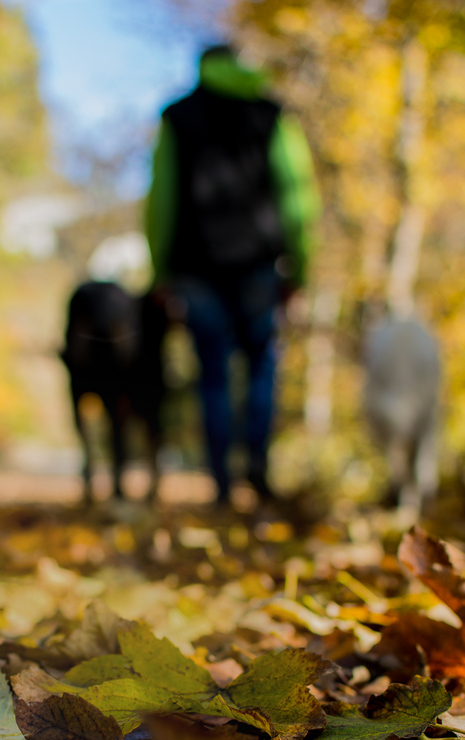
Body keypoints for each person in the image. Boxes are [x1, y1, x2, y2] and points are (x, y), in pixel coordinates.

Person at [145, 43, 320, 504]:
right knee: (262, 365)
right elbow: (296, 195)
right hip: (260, 264)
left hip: (195, 268)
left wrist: (160, 269)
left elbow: (161, 199)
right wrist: (300, 267)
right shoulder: (270, 113)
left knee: (213, 374)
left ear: (201, 67)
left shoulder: (178, 117)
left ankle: (222, 481)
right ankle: (257, 471)